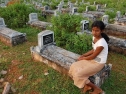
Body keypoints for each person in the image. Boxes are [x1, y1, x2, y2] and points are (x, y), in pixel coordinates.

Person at [69, 20, 109, 94]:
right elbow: (93, 50)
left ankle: (97, 89)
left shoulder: (102, 43)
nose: (94, 32)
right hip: (93, 60)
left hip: (98, 63)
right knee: (73, 66)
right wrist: (84, 55)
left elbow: (94, 55)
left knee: (79, 74)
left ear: (102, 31)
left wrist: (83, 58)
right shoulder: (94, 38)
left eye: (97, 31)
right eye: (93, 30)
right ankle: (87, 86)